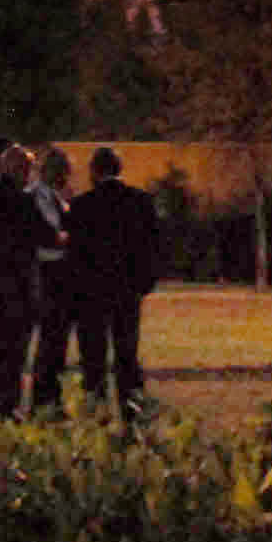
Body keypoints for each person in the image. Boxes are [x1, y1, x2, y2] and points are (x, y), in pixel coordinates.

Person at [64, 146, 161, 420]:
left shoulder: (82, 205)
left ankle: (97, 415)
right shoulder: (141, 201)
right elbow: (154, 247)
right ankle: (132, 412)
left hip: (92, 293)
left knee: (93, 358)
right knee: (127, 354)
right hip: (127, 290)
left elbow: (74, 254)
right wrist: (145, 283)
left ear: (94, 171)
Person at [0, 143, 59, 415]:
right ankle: (8, 407)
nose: (30, 173)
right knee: (14, 352)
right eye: (28, 167)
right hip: (17, 286)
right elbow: (45, 235)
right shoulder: (22, 199)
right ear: (19, 168)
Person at [26, 146, 77, 413]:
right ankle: (42, 399)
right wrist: (68, 237)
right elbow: (48, 235)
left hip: (58, 272)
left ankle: (50, 398)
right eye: (63, 170)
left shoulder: (55, 197)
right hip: (46, 272)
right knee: (49, 339)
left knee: (57, 340)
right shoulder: (36, 197)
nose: (67, 176)